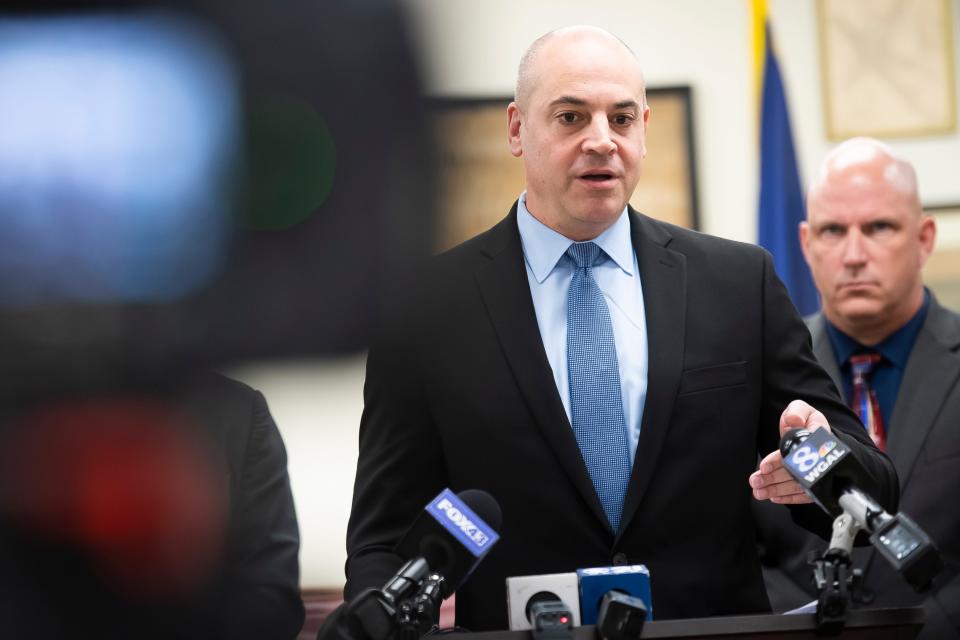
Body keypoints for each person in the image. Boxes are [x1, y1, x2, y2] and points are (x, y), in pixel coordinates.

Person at [345, 26, 897, 631]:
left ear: (643, 129)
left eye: (622, 118)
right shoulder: (422, 308)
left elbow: (874, 495)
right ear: (515, 129)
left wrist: (819, 464)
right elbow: (384, 539)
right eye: (571, 117)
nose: (601, 141)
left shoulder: (739, 283)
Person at [755, 138, 959, 638]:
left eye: (878, 227)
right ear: (805, 244)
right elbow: (736, 546)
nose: (853, 254)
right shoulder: (756, 374)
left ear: (924, 237)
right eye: (832, 231)